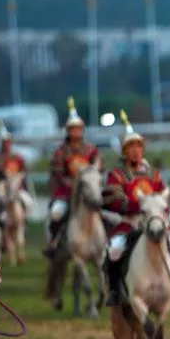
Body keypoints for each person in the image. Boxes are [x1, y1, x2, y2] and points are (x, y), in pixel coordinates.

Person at [103, 110, 170, 317]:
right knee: (114, 251)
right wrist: (137, 205)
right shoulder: (117, 175)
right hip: (129, 225)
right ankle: (116, 291)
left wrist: (157, 211)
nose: (135, 151)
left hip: (156, 224)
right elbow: (113, 201)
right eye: (131, 147)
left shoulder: (155, 175)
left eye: (138, 147)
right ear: (124, 151)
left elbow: (165, 201)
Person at [45, 97, 99, 257]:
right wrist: (73, 185)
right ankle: (54, 242)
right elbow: (59, 174)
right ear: (68, 131)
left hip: (88, 192)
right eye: (73, 129)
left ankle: (105, 242)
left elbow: (98, 168)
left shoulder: (91, 150)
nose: (76, 132)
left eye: (79, 129)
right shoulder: (61, 152)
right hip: (66, 192)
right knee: (57, 213)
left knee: (102, 212)